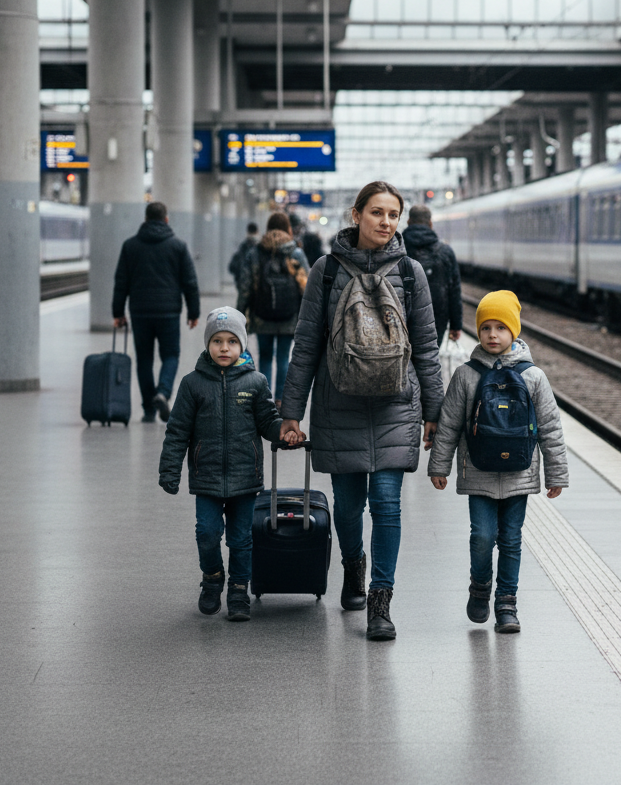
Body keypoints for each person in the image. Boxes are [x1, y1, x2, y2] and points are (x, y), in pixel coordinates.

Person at [280, 181, 444, 642]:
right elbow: (307, 342)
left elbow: (426, 349)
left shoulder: (412, 273)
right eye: (377, 213)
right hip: (339, 403)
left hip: (396, 404)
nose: (385, 223)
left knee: (386, 505)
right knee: (349, 508)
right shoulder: (326, 271)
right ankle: (353, 566)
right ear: (356, 214)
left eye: (393, 215)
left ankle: (380, 600)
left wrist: (434, 410)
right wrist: (291, 409)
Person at [427, 290, 568, 633]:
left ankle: (507, 603)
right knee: (482, 537)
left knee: (511, 540)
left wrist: (557, 473)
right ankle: (480, 588)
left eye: (501, 328)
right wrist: (438, 465)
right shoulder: (466, 375)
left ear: (514, 332)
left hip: (519, 474)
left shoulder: (534, 377)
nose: (492, 334)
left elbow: (550, 426)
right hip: (479, 472)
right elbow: (448, 423)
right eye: (486, 327)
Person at [158, 306, 304, 621]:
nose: (224, 348)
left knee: (241, 540)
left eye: (232, 342)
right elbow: (177, 431)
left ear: (242, 345)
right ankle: (212, 577)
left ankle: (239, 589)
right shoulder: (192, 384)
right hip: (207, 478)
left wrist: (285, 433)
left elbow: (268, 423)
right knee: (207, 534)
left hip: (244, 478)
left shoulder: (255, 382)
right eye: (217, 341)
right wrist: (169, 470)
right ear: (208, 344)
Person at [112, 200, 200, 423]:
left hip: (140, 311)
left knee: (144, 359)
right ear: (166, 219)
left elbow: (121, 282)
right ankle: (163, 392)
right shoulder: (178, 246)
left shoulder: (130, 245)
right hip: (168, 311)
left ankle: (148, 409)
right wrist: (193, 312)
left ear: (145, 219)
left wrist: (117, 312)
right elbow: (190, 281)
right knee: (170, 354)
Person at [235, 212, 309, 407]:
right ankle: (280, 400)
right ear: (288, 229)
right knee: (284, 357)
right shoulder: (296, 252)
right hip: (289, 315)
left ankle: (265, 399)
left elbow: (246, 286)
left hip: (262, 314)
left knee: (265, 356)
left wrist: (240, 313)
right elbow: (306, 286)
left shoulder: (256, 252)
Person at [402, 204, 463, 346]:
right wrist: (456, 325)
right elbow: (454, 291)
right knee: (430, 359)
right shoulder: (445, 252)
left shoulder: (397, 249)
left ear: (408, 222)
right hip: (437, 318)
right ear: (430, 224)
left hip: (404, 317)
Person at [228, 222, 260, 291]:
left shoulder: (243, 247)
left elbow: (232, 267)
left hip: (243, 284)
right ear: (257, 232)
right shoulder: (260, 247)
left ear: (247, 232)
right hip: (257, 286)